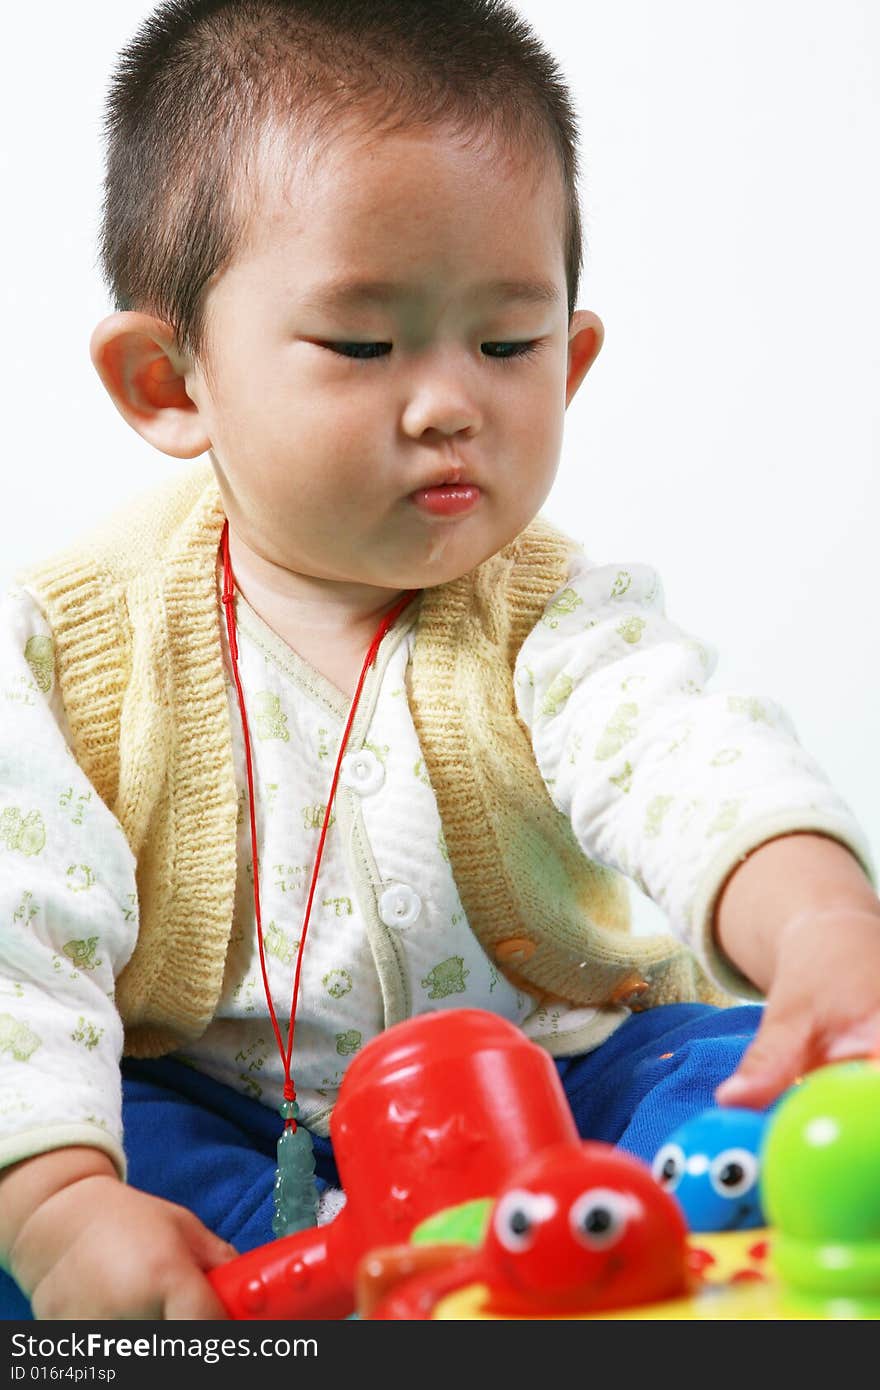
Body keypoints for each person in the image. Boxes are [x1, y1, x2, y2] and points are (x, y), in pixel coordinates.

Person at [0, 0, 877, 1322]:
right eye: (365, 344)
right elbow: (23, 938)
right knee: (71, 1173)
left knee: (735, 1081)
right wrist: (60, 1208)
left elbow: (691, 755)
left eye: (507, 343)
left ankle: (617, 1238)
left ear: (571, 363)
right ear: (170, 382)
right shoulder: (64, 645)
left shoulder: (556, 614)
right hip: (230, 1129)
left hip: (560, 1097)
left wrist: (822, 930)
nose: (450, 399)